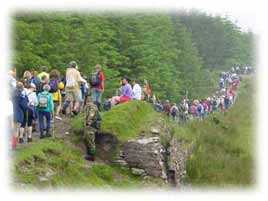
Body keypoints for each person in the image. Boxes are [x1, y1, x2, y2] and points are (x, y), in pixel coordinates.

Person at [83, 96, 101, 161]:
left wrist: (88, 123)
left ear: (91, 102)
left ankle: (92, 156)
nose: (87, 104)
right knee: (86, 139)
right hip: (87, 127)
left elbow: (91, 117)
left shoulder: (93, 108)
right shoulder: (87, 107)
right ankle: (88, 153)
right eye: (87, 102)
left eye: (89, 102)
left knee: (91, 141)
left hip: (92, 127)